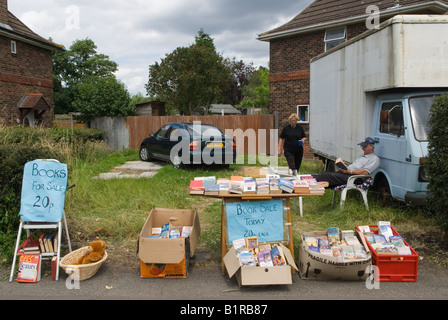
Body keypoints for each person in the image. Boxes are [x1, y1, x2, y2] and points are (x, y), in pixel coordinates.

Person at [312, 137, 380, 188]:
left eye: (364, 146)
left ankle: (308, 181)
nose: (362, 148)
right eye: (361, 146)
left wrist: (349, 172)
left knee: (327, 176)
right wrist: (345, 166)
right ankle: (309, 180)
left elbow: (365, 172)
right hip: (348, 174)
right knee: (326, 177)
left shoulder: (374, 159)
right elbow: (355, 166)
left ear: (371, 146)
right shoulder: (362, 156)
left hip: (355, 178)